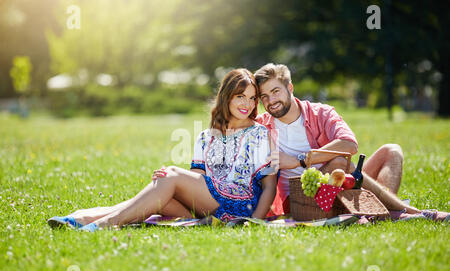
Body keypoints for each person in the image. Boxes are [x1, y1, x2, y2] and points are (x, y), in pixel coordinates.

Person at [47, 68, 278, 231]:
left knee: (170, 177)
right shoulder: (206, 136)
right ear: (227, 97)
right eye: (240, 96)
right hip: (207, 209)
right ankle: (79, 219)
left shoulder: (258, 134)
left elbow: (269, 185)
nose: (247, 104)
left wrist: (254, 222)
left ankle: (99, 224)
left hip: (240, 207)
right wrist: (170, 183)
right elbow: (199, 180)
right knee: (155, 197)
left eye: (252, 98)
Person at [254, 63, 448, 221]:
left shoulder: (320, 113)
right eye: (265, 96)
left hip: (341, 184)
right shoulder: (262, 126)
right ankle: (406, 211)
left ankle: (380, 211)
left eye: (276, 91)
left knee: (391, 150)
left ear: (290, 88)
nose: (271, 100)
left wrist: (300, 160)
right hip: (302, 199)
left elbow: (349, 144)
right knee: (339, 163)